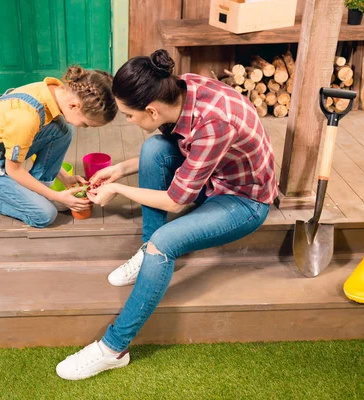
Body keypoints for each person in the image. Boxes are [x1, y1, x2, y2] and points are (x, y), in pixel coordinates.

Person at [56, 49, 278, 380]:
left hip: (242, 200)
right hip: (213, 176)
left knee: (164, 242)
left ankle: (113, 348)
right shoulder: (176, 89)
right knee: (153, 149)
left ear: (151, 110)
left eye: (129, 116)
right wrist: (120, 170)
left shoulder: (214, 123)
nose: (128, 121)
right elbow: (184, 156)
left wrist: (118, 190)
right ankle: (147, 252)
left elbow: (176, 202)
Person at [0, 67, 118, 228]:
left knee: (63, 130)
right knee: (44, 215)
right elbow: (14, 169)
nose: (84, 128)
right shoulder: (27, 117)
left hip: (3, 147)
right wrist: (56, 196)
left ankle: (36, 191)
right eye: (86, 124)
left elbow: (35, 141)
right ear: (74, 105)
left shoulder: (56, 92)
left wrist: (66, 178)